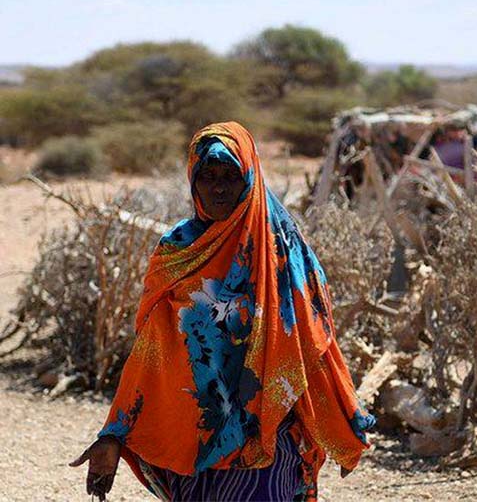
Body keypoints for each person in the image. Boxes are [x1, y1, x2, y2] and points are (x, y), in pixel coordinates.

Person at [71, 121, 375, 501]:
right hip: (191, 437)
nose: (218, 187)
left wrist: (340, 424)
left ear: (249, 177)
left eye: (230, 176)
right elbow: (152, 352)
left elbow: (313, 344)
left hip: (268, 432)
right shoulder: (177, 252)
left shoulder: (282, 250)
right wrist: (113, 433)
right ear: (192, 181)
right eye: (207, 176)